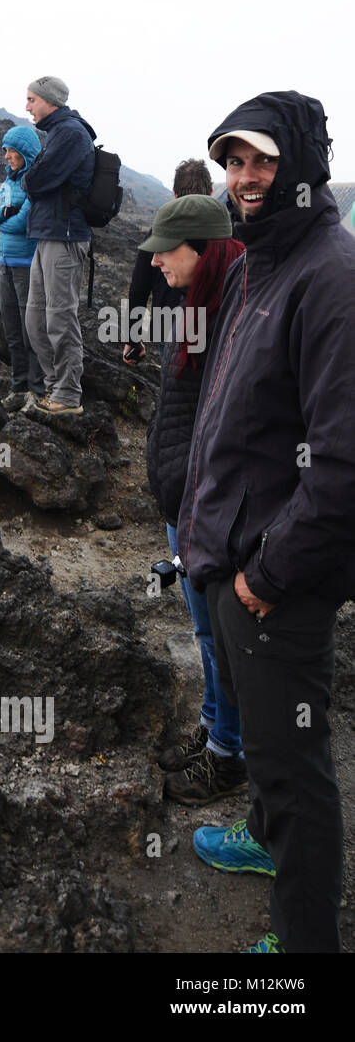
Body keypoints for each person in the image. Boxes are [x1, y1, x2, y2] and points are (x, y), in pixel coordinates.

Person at [177, 91, 355, 953]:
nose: (243, 179)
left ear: (299, 166)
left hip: (275, 579)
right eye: (232, 161)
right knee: (267, 750)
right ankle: (256, 833)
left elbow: (345, 463)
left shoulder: (331, 276)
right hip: (228, 549)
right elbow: (229, 406)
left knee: (296, 772)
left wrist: (264, 575)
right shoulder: (255, 261)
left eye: (261, 161)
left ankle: (304, 945)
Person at [132, 193, 245, 804]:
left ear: (200, 251)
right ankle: (213, 729)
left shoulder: (234, 315)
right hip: (186, 502)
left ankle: (229, 755)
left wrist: (200, 506)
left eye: (164, 252)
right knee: (206, 635)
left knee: (219, 639)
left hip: (206, 510)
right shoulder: (199, 304)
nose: (154, 265)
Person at [20, 76, 95, 416]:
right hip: (48, 234)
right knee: (36, 318)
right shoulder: (57, 133)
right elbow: (36, 179)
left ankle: (67, 393)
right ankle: (54, 388)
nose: (27, 107)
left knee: (60, 318)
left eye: (32, 99)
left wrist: (31, 177)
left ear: (49, 101)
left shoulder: (70, 133)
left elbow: (35, 180)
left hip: (65, 238)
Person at [121, 159, 214, 367]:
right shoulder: (224, 232)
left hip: (169, 325)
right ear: (210, 192)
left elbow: (139, 287)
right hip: (214, 329)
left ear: (174, 194)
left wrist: (132, 338)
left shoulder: (160, 230)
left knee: (173, 392)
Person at [0, 125, 44, 411]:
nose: (6, 156)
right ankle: (18, 387)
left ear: (24, 152)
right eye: (5, 150)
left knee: (30, 330)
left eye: (10, 150)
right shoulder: (7, 184)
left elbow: (22, 224)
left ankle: (36, 390)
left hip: (25, 265)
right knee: (11, 329)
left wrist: (1, 221)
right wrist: (5, 214)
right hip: (3, 264)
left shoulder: (34, 184)